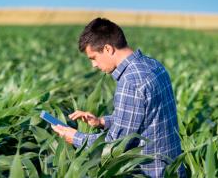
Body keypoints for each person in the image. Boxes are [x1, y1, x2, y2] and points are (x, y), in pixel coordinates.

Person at [52, 18, 185, 177]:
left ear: (108, 49)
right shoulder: (153, 65)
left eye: (93, 58)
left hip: (151, 172)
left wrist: (75, 137)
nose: (93, 65)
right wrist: (101, 121)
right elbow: (144, 118)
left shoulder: (130, 82)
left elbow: (114, 147)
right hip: (173, 169)